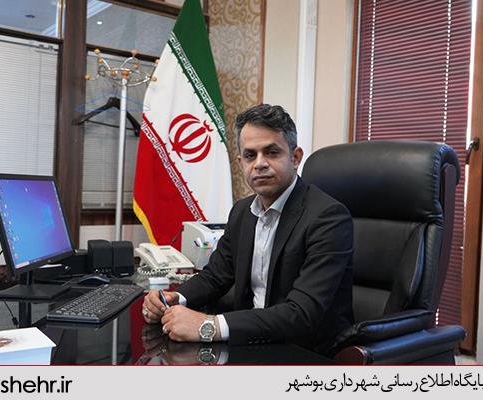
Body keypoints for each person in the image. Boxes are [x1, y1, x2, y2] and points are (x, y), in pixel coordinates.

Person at [142, 104, 353, 356]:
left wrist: (209, 326)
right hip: (250, 340)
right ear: (241, 162)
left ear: (295, 158)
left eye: (272, 152)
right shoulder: (242, 212)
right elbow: (215, 276)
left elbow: (302, 314)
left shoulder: (328, 218)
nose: (260, 164)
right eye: (250, 155)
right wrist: (175, 298)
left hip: (304, 352)